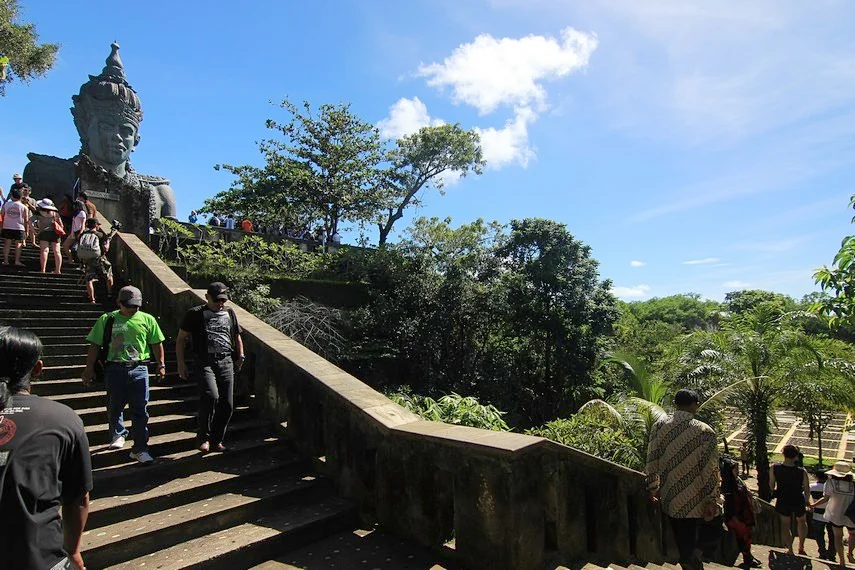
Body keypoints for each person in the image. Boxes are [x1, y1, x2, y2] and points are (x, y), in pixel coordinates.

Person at [0, 326, 92, 570]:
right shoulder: (64, 419)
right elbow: (78, 498)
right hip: (39, 557)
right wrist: (72, 550)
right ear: (38, 369)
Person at [82, 286, 166, 464]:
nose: (133, 309)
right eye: (129, 305)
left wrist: (161, 365)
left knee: (140, 410)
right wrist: (89, 368)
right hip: (114, 368)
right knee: (114, 404)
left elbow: (157, 343)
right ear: (119, 303)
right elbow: (95, 345)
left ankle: (140, 448)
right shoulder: (108, 319)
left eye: (136, 306)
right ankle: (118, 433)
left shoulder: (147, 319)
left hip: (139, 369)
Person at [646, 389, 719, 570]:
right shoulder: (704, 431)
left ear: (676, 404)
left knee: (679, 540)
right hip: (695, 499)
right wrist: (712, 499)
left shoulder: (659, 426)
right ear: (694, 404)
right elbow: (710, 469)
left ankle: (689, 562)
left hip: (669, 496)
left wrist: (652, 487)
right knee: (691, 543)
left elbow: (652, 459)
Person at [176, 282, 245, 452]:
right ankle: (203, 437)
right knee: (210, 396)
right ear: (207, 297)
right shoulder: (195, 314)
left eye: (223, 300)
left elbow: (236, 335)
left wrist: (240, 355)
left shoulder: (229, 312)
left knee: (227, 404)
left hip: (226, 360)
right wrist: (181, 363)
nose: (220, 304)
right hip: (204, 361)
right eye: (216, 301)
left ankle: (217, 439)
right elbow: (181, 339)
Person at [812, 461, 855, 566]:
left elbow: (825, 498)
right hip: (851, 513)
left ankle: (842, 561)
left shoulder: (830, 482)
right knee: (853, 534)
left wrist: (814, 505)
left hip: (835, 512)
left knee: (838, 537)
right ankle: (850, 553)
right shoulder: (853, 484)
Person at [770, 444, 811, 555]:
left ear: (783, 453)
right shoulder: (802, 471)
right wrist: (807, 501)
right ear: (796, 456)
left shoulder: (775, 467)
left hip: (783, 498)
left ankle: (790, 549)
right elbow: (807, 489)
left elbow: (771, 485)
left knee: (785, 525)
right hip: (798, 498)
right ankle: (801, 547)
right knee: (802, 522)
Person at [721, 457, 761, 568]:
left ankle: (748, 558)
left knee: (746, 537)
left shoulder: (737, 481)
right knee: (743, 538)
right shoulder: (727, 484)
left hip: (743, 514)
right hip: (735, 515)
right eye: (735, 469)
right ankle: (747, 559)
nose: (737, 471)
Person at [77, 218, 115, 303]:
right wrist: (108, 241)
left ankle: (92, 299)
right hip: (99, 259)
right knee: (108, 275)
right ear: (96, 225)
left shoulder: (82, 234)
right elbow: (105, 249)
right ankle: (110, 294)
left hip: (87, 260)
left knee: (89, 279)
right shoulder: (100, 235)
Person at [811, 470, 837, 561]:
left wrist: (812, 505)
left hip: (817, 514)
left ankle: (822, 552)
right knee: (832, 535)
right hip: (831, 515)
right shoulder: (833, 487)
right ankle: (832, 553)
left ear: (816, 476)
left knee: (819, 535)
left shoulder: (812, 487)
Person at [1, 187, 29, 267]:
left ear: (12, 196)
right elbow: (26, 220)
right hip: (19, 227)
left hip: (7, 226)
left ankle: (6, 260)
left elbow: (2, 215)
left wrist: (1, 226)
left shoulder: (6, 204)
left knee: (7, 243)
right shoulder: (24, 207)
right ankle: (17, 260)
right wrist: (27, 231)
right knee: (18, 245)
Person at [35, 198, 63, 274]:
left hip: (44, 232)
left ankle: (43, 269)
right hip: (55, 233)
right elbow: (61, 225)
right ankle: (58, 270)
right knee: (57, 252)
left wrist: (34, 231)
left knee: (44, 251)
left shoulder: (39, 213)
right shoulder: (55, 213)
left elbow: (29, 221)